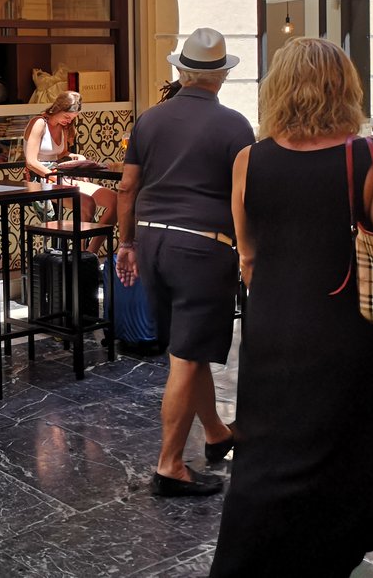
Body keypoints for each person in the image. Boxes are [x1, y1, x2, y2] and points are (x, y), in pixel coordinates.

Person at [210, 38, 373, 577]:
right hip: (346, 332)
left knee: (266, 459)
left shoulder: (249, 161)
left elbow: (249, 255)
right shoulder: (367, 157)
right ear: (344, 87)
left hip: (270, 334)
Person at [115, 27, 253, 497]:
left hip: (152, 242)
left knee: (186, 350)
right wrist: (249, 253)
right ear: (220, 77)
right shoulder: (235, 126)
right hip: (203, 247)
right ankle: (170, 465)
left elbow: (127, 188)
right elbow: (242, 198)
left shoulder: (149, 120)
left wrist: (126, 244)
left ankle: (215, 434)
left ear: (181, 70)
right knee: (187, 357)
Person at [24, 90, 117, 253]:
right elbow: (31, 162)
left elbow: (60, 154)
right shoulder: (39, 123)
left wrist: (75, 156)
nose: (69, 121)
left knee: (115, 200)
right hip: (41, 177)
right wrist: (53, 176)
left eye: (72, 118)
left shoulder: (63, 127)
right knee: (87, 203)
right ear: (58, 108)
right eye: (67, 116)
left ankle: (90, 252)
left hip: (60, 174)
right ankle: (79, 255)